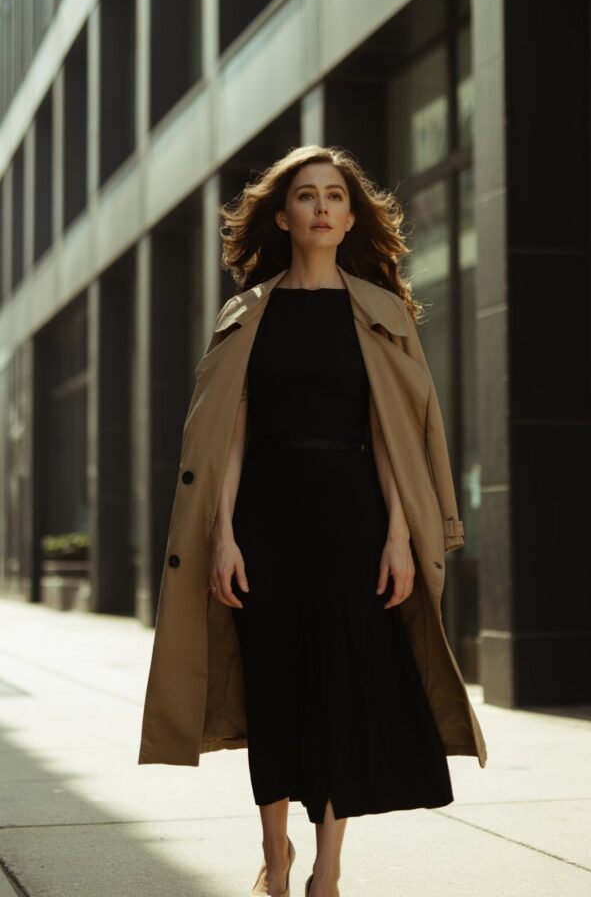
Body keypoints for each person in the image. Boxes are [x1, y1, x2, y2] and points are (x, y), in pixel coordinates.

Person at [210, 145, 456, 897]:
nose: (321, 207)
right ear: (282, 216)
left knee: (339, 690)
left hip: (353, 516)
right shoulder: (245, 312)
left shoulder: (378, 311)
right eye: (307, 196)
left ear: (352, 218)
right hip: (264, 519)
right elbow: (230, 433)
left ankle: (330, 869)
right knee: (274, 684)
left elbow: (390, 433)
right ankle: (275, 857)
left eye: (335, 197)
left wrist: (398, 535)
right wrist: (222, 534)